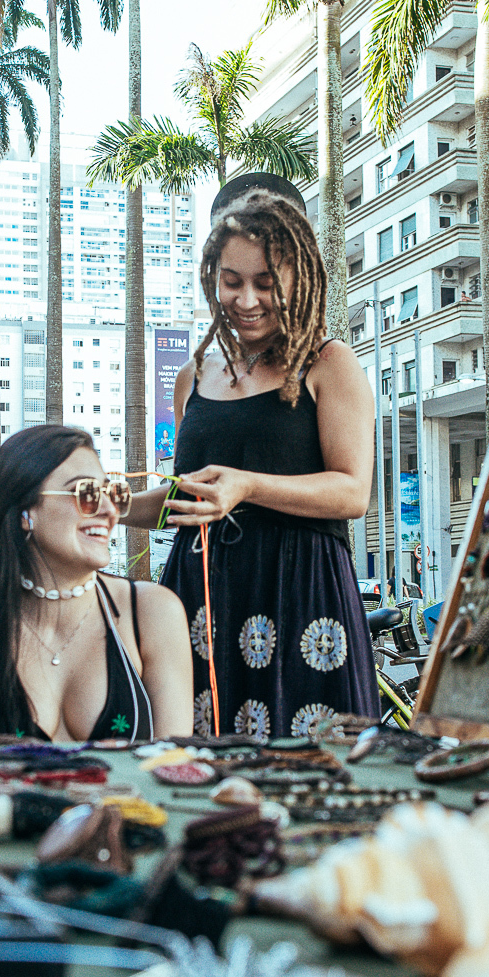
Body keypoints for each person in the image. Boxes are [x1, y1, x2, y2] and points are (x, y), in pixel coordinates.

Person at [123, 176, 379, 740]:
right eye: (231, 281)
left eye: (266, 283)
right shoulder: (192, 377)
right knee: (195, 776)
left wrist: (248, 486)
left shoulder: (329, 363)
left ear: (298, 276)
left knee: (311, 785)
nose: (246, 300)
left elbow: (351, 492)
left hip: (298, 593)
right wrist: (117, 507)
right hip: (199, 601)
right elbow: (190, 497)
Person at [0, 425, 193, 742]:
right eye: (86, 493)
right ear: (25, 512)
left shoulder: (153, 612)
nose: (110, 511)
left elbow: (174, 769)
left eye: (113, 494)